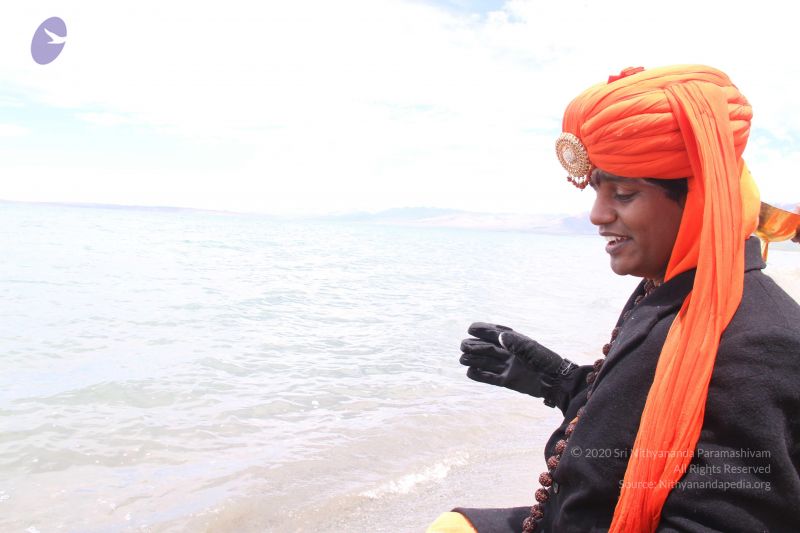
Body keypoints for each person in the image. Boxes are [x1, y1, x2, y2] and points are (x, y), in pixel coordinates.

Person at [427, 65, 800, 532]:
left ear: (700, 200)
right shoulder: (673, 289)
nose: (597, 215)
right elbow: (645, 424)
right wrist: (559, 382)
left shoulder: (757, 343)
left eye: (623, 194)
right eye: (597, 191)